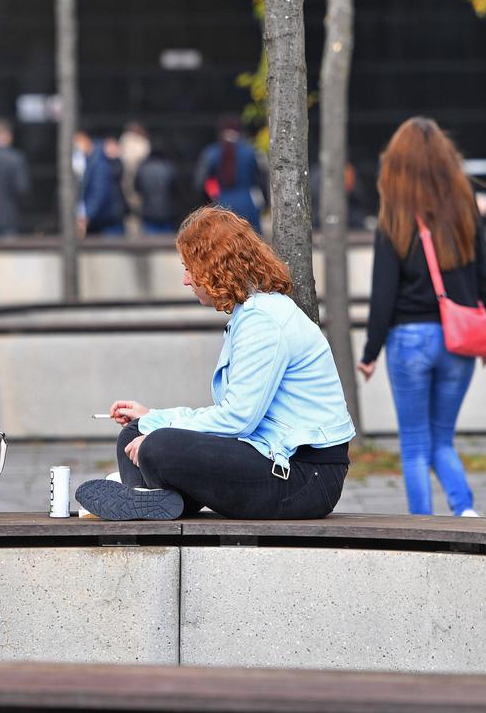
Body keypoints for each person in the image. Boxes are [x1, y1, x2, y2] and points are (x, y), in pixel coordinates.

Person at [74, 206, 355, 521]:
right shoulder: (251, 314)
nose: (184, 280)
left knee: (157, 446)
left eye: (189, 267)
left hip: (304, 479)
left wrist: (160, 426)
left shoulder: (264, 321)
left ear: (215, 266)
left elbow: (237, 420)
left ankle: (148, 498)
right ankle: (157, 501)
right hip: (276, 460)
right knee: (135, 433)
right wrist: (153, 418)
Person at [357, 117, 486, 518]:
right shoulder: (464, 208)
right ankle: (465, 510)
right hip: (461, 341)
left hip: (409, 340)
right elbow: (483, 278)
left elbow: (383, 292)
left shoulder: (395, 215)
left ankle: (424, 529)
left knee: (416, 446)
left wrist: (370, 351)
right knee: (443, 440)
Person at [195, 118, 266, 233]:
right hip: (248, 204)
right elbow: (260, 181)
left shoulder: (211, 153)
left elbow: (202, 183)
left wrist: (213, 197)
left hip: (221, 205)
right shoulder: (251, 152)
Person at [76, 130, 125, 236]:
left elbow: (99, 192)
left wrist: (87, 215)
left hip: (107, 218)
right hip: (104, 217)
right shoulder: (91, 158)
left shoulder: (99, 160)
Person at [134, 139, 180, 234]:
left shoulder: (143, 167)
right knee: (168, 244)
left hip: (148, 213)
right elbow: (176, 190)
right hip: (167, 213)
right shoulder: (170, 167)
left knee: (149, 244)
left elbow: (137, 188)